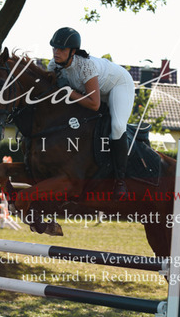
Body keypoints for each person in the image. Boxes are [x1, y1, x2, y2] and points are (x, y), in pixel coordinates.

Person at [47, 27, 135, 200]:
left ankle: (120, 181)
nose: (56, 52)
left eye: (62, 49)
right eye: (54, 48)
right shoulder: (53, 65)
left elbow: (94, 104)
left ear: (73, 52)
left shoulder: (85, 66)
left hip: (118, 85)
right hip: (93, 92)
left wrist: (68, 92)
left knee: (117, 126)